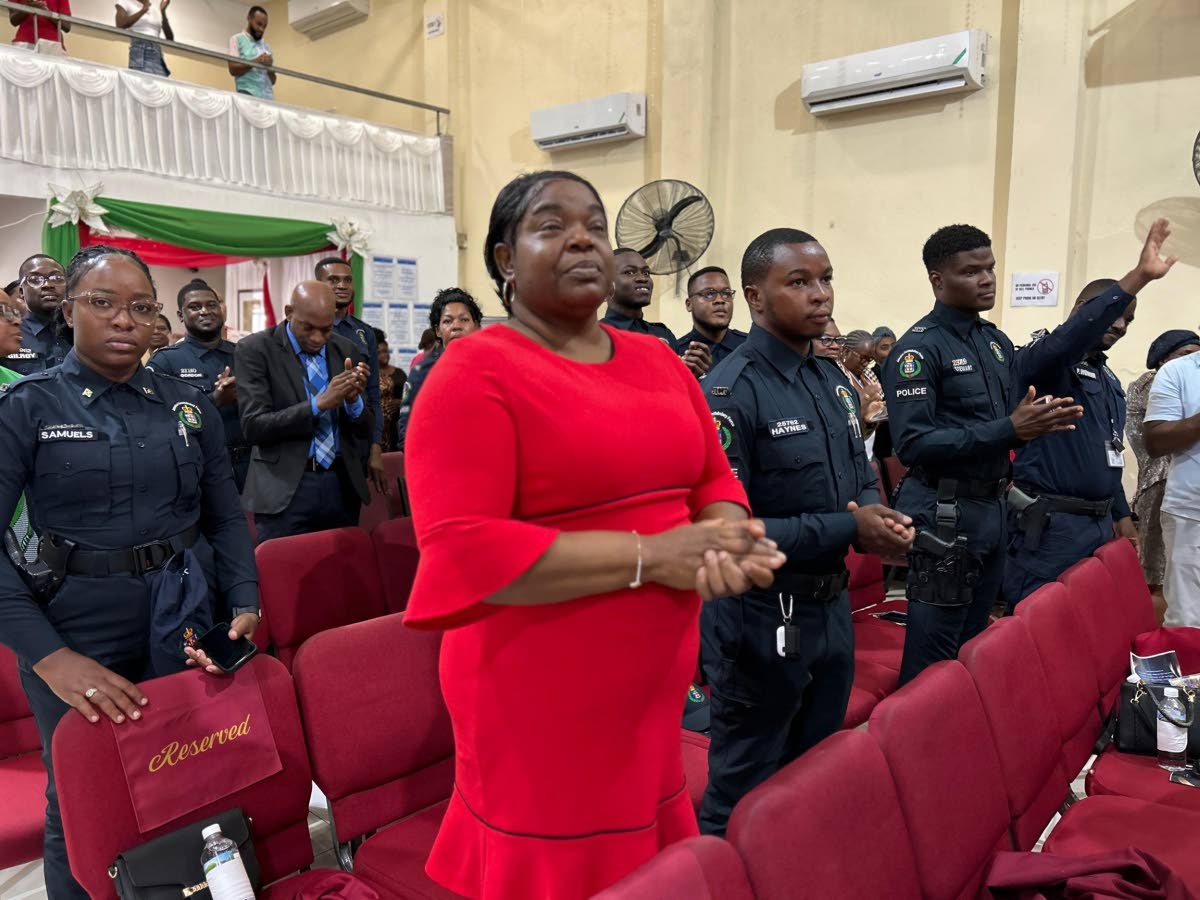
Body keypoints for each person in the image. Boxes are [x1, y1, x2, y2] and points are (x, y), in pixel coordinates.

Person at [402, 169, 784, 900]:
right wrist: (658, 556)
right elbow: (466, 550)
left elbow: (712, 477)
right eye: (552, 225)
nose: (583, 239)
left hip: (650, 691)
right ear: (505, 260)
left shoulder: (657, 361)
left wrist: (725, 538)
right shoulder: (473, 371)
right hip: (536, 696)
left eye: (596, 226)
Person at [0, 245, 258, 900]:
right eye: (104, 303)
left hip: (182, 609)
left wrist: (244, 600)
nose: (124, 320)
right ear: (68, 310)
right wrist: (51, 659)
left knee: (182, 773)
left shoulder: (186, 405)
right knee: (81, 794)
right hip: (76, 620)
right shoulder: (28, 406)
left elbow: (226, 516)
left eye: (140, 307)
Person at [883, 219, 1177, 685]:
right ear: (938, 280)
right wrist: (1012, 428)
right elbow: (914, 444)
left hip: (994, 509)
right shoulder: (918, 350)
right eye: (971, 272)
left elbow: (1065, 345)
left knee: (973, 650)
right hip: (945, 513)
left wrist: (1019, 428)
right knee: (933, 659)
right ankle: (912, 751)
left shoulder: (995, 343)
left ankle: (961, 744)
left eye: (991, 269)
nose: (986, 280)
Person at [699, 228, 914, 837]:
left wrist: (878, 519)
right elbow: (729, 532)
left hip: (828, 607)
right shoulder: (729, 392)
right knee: (743, 788)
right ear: (755, 297)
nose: (820, 295)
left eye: (825, 279)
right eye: (799, 282)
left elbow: (860, 471)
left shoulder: (829, 381)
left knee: (809, 777)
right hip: (759, 614)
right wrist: (850, 525)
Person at [1003, 279, 1148, 609]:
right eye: (1113, 313)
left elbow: (1108, 450)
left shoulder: (1107, 376)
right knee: (1037, 623)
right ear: (1086, 311)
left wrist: (1120, 512)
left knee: (1079, 623)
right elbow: (1061, 345)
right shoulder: (1045, 362)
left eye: (1129, 319)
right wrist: (1137, 278)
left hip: (1097, 522)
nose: (1121, 325)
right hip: (1052, 524)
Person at [236, 281, 372, 543]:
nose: (317, 338)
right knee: (284, 576)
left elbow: (364, 427)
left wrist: (354, 402)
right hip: (286, 489)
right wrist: (318, 404)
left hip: (340, 484)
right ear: (289, 312)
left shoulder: (345, 349)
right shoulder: (255, 350)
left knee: (338, 576)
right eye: (308, 328)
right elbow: (254, 426)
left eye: (326, 329)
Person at [148, 280, 250, 492]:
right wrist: (213, 401)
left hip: (248, 466)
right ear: (180, 315)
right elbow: (156, 422)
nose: (205, 311)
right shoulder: (165, 362)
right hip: (196, 468)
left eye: (212, 305)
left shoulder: (245, 354)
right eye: (195, 307)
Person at [1127, 330, 1200, 597]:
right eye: (1184, 353)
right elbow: (1156, 442)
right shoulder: (1156, 380)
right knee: (1158, 568)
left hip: (1172, 475)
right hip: (1163, 481)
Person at [314, 257, 387, 496]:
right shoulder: (305, 329)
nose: (342, 285)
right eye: (333, 280)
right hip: (312, 444)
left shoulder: (363, 333)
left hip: (354, 447)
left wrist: (375, 447)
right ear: (318, 285)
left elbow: (374, 395)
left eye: (347, 280)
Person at [602, 248, 711, 378]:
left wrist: (690, 374)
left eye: (646, 273)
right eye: (629, 272)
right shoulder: (597, 336)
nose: (642, 278)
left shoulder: (663, 334)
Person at [395, 287, 482, 452]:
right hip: (438, 465)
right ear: (438, 330)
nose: (456, 326)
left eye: (464, 320)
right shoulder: (422, 373)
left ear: (476, 326)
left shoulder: (493, 368)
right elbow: (406, 433)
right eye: (448, 321)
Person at [4, 255, 71, 376]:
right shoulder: (10, 334)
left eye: (57, 278)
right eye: (35, 279)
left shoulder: (82, 331)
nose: (48, 285)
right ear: (21, 292)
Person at [673, 265, 747, 366]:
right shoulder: (677, 354)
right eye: (709, 294)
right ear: (689, 304)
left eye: (726, 293)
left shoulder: (750, 347)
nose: (720, 300)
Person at [115, 0, 172, 77]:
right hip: (141, 50)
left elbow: (170, 38)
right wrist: (143, 10)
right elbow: (120, 25)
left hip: (157, 53)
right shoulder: (126, 2)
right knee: (142, 84)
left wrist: (163, 11)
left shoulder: (155, 8)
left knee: (160, 86)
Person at [228, 5, 274, 99]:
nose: (261, 29)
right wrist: (256, 61)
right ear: (249, 19)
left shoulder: (267, 47)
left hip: (268, 100)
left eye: (264, 26)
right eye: (259, 24)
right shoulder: (236, 39)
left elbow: (273, 81)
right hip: (248, 97)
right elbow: (232, 69)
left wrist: (269, 67)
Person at [374, 328, 406, 453]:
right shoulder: (370, 374)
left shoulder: (399, 374)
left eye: (386, 351)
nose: (384, 355)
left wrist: (399, 403)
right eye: (379, 352)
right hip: (377, 429)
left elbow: (411, 399)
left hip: (395, 427)